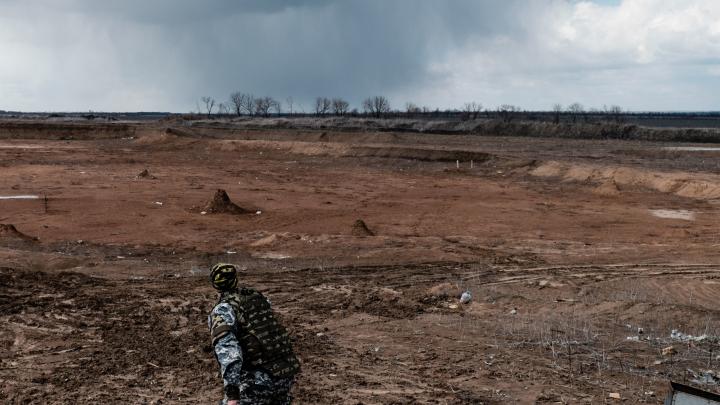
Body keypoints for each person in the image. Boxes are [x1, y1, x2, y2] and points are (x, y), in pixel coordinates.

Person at [208, 263, 300, 404]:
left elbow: (229, 352)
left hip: (257, 382)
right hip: (285, 375)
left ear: (215, 284)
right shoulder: (258, 298)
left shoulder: (223, 310)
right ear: (235, 279)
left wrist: (232, 394)